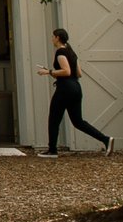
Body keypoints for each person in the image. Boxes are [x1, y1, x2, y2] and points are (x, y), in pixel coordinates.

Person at [37, 27, 114, 156]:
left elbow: (66, 71)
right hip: (76, 88)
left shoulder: (60, 52)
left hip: (64, 89)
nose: (52, 39)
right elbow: (78, 73)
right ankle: (106, 139)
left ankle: (52, 150)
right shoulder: (72, 53)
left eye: (53, 36)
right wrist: (54, 74)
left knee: (54, 119)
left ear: (57, 38)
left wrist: (48, 71)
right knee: (78, 121)